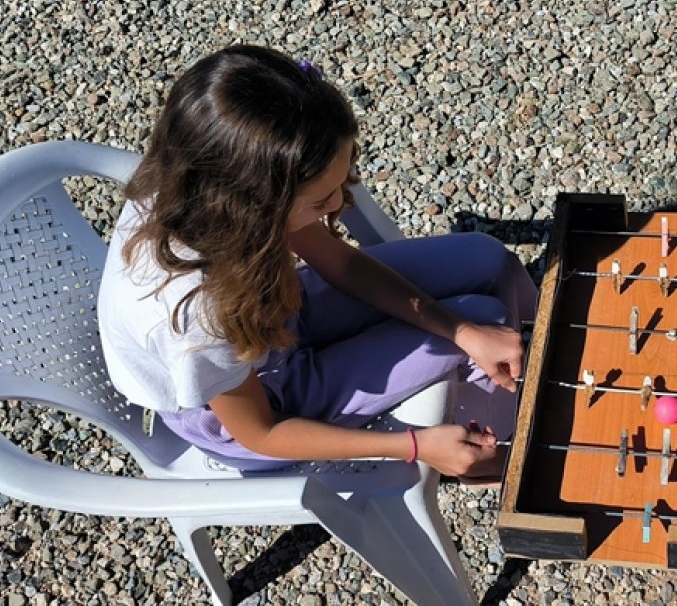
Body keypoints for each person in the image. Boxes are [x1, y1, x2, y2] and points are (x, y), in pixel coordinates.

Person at [98, 45, 536, 479]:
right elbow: (262, 433)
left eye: (343, 181)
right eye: (324, 199)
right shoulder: (198, 316)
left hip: (270, 316)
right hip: (262, 405)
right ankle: (502, 453)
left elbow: (341, 266)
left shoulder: (221, 185)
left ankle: (537, 341)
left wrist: (459, 329)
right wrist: (416, 445)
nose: (341, 204)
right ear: (256, 206)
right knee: (485, 314)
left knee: (485, 257)